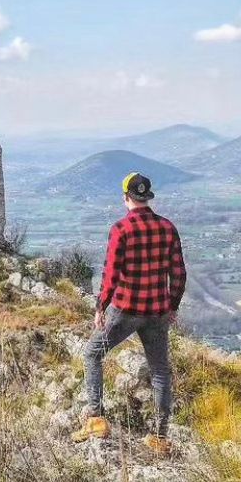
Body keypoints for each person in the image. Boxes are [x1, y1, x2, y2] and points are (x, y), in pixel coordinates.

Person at [72, 172, 186, 456]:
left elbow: (111, 274)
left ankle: (96, 420)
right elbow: (179, 274)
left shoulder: (121, 230)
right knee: (160, 371)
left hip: (126, 310)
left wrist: (101, 306)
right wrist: (173, 306)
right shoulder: (168, 228)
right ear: (147, 197)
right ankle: (159, 437)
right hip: (158, 310)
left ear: (126, 198)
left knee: (92, 353)